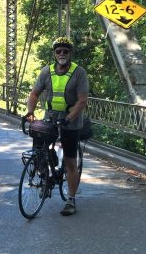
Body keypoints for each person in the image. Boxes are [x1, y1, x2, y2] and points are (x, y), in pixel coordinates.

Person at [24, 36, 89, 216]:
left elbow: (82, 101)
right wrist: (30, 111)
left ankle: (71, 200)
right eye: (58, 51)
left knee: (70, 161)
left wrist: (69, 118)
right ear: (54, 54)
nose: (62, 54)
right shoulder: (46, 72)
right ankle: (46, 177)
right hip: (50, 119)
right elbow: (34, 94)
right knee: (39, 153)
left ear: (70, 54)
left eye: (65, 51)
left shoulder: (79, 73)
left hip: (71, 121)